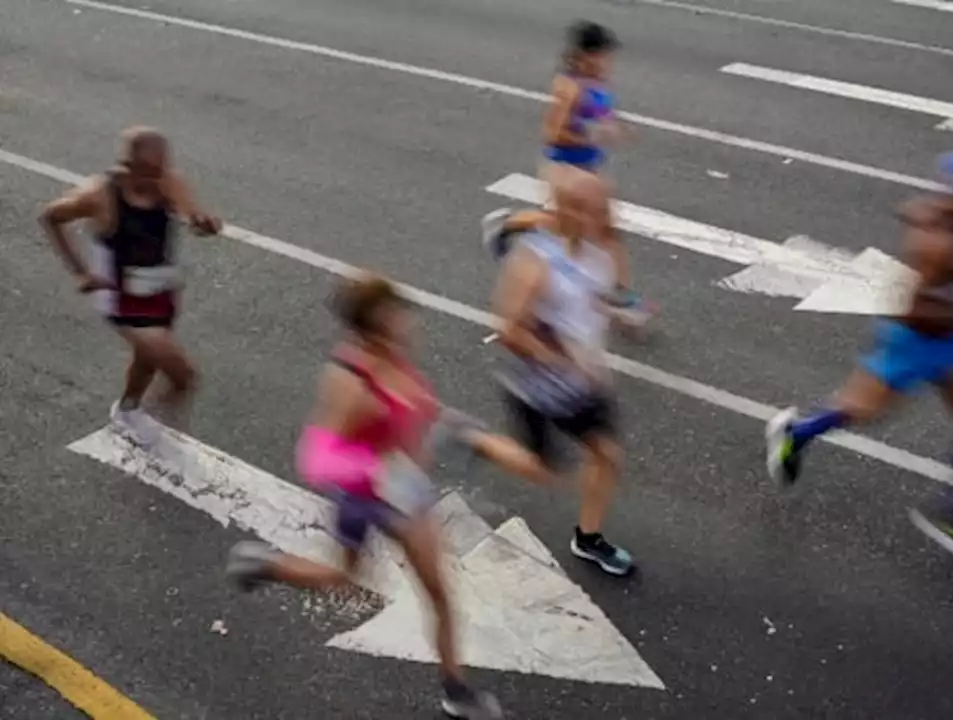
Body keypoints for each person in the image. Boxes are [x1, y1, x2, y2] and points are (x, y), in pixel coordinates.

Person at [224, 273, 526, 719]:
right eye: (394, 313)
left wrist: (452, 431)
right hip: (364, 497)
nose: (406, 319)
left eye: (401, 310)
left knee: (439, 592)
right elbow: (320, 454)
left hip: (405, 494)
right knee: (344, 579)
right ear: (371, 325)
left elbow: (415, 415)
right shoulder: (351, 380)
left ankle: (456, 691)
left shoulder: (397, 359)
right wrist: (375, 476)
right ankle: (268, 565)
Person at [764, 153, 953, 580]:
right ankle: (796, 434)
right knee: (863, 411)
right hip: (916, 342)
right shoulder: (940, 244)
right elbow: (915, 308)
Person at [490, 171, 634, 577]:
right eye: (595, 209)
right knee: (546, 471)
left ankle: (588, 539)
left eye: (606, 207)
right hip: (540, 389)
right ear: (567, 210)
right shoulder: (535, 261)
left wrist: (620, 315)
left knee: (607, 457)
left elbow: (595, 296)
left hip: (585, 383)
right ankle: (475, 441)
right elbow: (509, 331)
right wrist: (560, 360)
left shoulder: (599, 249)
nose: (606, 216)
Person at [40, 126, 221, 447]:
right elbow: (51, 217)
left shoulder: (169, 181)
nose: (158, 178)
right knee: (183, 376)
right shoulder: (99, 195)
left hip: (160, 289)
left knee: (147, 359)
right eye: (149, 171)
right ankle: (137, 419)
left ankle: (128, 409)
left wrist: (205, 224)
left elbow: (195, 219)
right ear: (127, 167)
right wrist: (81, 271)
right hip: (121, 298)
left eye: (162, 168)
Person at [540, 20, 652, 326]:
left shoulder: (597, 80)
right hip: (567, 170)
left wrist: (617, 125)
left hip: (589, 169)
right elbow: (552, 133)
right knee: (574, 238)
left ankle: (620, 294)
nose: (608, 61)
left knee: (606, 232)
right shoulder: (569, 88)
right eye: (604, 55)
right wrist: (594, 135)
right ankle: (571, 299)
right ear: (585, 55)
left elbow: (601, 114)